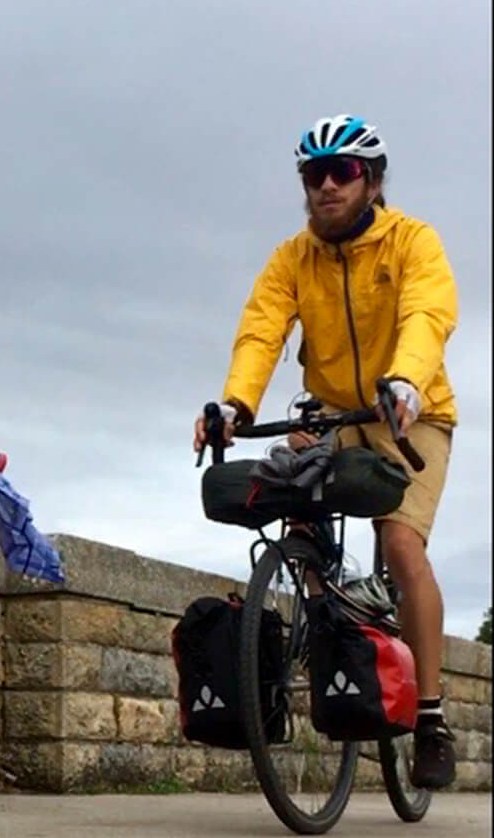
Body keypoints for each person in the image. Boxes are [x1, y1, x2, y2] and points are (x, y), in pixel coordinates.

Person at [193, 115, 460, 789]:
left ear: (369, 180)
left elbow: (428, 312)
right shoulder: (293, 258)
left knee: (401, 546)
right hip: (332, 411)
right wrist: (234, 407)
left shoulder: (411, 241)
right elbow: (261, 330)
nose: (325, 187)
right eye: (313, 175)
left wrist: (404, 380)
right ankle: (332, 619)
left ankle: (430, 719)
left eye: (341, 172)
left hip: (408, 409)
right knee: (297, 503)